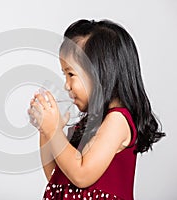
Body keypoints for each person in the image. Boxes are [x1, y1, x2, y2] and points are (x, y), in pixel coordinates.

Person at [27, 19, 165, 200]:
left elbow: (81, 175)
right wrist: (46, 131)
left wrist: (54, 131)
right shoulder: (89, 124)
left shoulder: (117, 121)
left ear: (101, 72)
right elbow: (56, 176)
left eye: (71, 74)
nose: (66, 85)